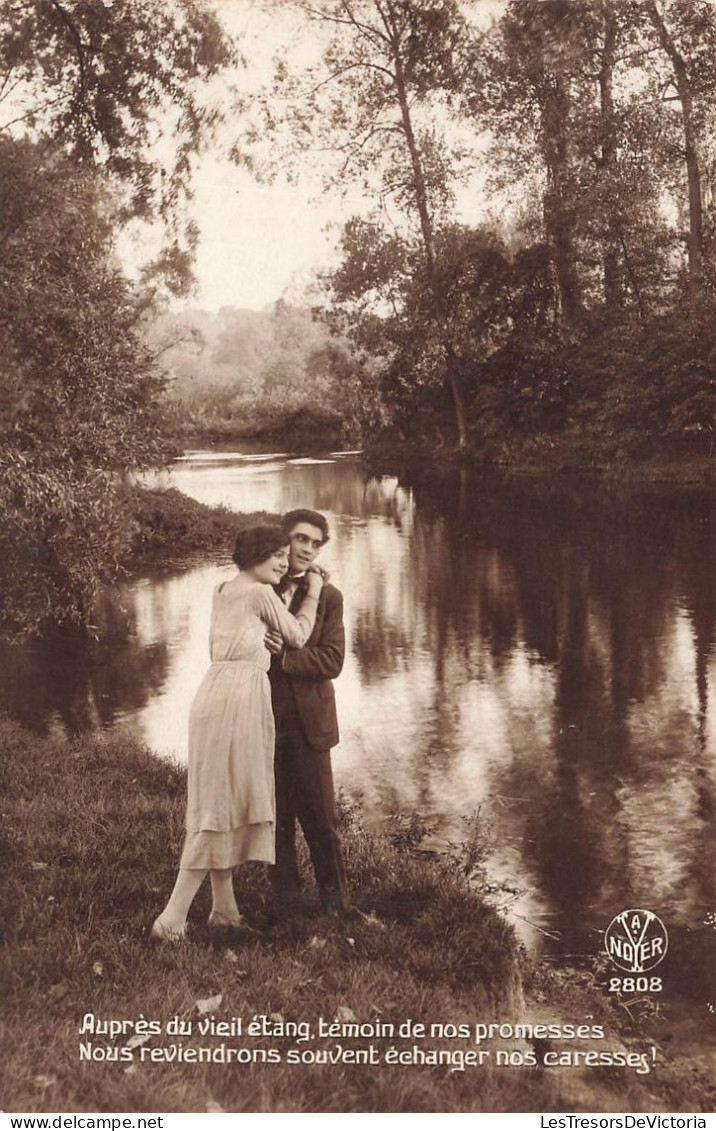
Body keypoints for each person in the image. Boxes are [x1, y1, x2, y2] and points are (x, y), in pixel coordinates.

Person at [151, 524, 324, 942]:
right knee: (217, 809)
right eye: (277, 555)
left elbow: (254, 628)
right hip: (238, 700)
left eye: (287, 555)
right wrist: (314, 589)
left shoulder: (223, 589)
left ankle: (224, 911)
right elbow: (298, 636)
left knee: (220, 802)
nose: (285, 563)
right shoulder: (260, 593)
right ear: (255, 556)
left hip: (214, 693)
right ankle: (171, 919)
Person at [265, 508, 349, 916]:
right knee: (274, 823)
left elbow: (332, 661)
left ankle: (336, 908)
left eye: (316, 544)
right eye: (301, 539)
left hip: (310, 726)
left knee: (321, 824)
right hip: (263, 721)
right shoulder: (259, 586)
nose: (308, 549)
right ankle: (286, 911)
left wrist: (285, 659)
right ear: (284, 539)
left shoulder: (329, 597)